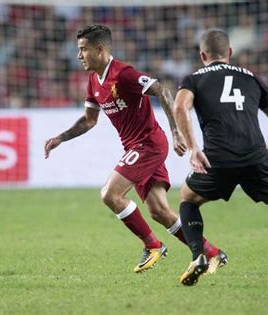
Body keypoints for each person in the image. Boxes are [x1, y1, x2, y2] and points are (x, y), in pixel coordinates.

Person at [44, 25, 228, 273]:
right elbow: (89, 120)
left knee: (110, 194)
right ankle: (212, 252)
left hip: (149, 144)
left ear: (99, 49)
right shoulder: (93, 82)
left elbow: (162, 90)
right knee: (159, 211)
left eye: (83, 49)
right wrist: (61, 138)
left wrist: (176, 132)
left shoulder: (124, 74)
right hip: (137, 147)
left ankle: (153, 245)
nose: (79, 56)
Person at [173, 28, 268, 287]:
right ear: (230, 53)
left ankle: (198, 255)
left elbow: (180, 107)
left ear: (202, 55)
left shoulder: (193, 79)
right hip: (256, 157)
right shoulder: (251, 77)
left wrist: (193, 148)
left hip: (217, 159)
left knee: (187, 199)